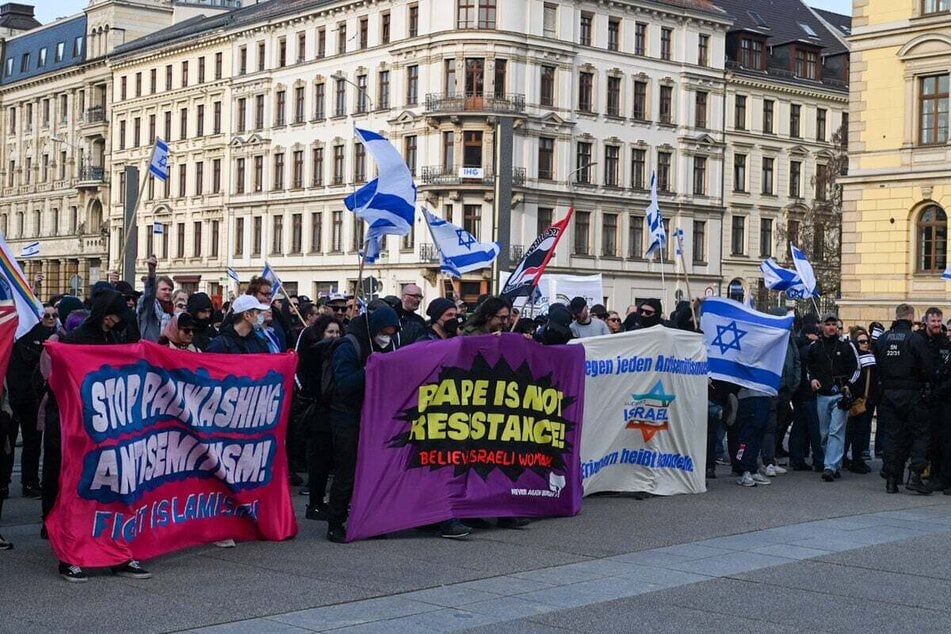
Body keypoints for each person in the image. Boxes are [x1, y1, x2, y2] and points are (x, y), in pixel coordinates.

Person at [52, 289, 152, 581]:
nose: (112, 321)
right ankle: (70, 557)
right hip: (82, 431)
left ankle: (118, 554)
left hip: (114, 429)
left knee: (117, 493)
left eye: (117, 317)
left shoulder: (115, 337)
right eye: (110, 315)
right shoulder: (77, 339)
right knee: (78, 494)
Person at [326, 306, 407, 542]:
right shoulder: (349, 346)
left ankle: (370, 518)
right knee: (347, 471)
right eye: (384, 332)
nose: (387, 337)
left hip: (376, 416)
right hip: (347, 415)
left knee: (374, 469)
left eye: (392, 333)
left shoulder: (390, 346)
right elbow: (344, 385)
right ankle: (335, 522)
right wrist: (371, 368)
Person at [876, 304, 933, 494]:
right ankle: (915, 475)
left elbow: (876, 366)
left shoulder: (883, 339)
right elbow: (928, 368)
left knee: (892, 437)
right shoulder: (915, 339)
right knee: (920, 433)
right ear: (910, 317)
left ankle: (891, 479)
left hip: (888, 393)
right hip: (912, 393)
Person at [3, 304, 57, 498]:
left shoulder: (54, 339)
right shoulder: (20, 336)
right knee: (7, 442)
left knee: (33, 443)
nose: (50, 318)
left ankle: (30, 482)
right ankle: (4, 483)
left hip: (34, 399)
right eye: (46, 315)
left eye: (54, 315)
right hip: (15, 396)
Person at [296, 315, 342, 518]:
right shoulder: (314, 353)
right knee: (318, 462)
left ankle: (322, 502)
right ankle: (314, 503)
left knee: (329, 460)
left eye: (337, 332)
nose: (334, 336)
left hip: (333, 412)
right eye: (330, 332)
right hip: (317, 413)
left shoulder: (340, 352)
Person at [805, 312, 859, 482]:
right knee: (824, 433)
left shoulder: (846, 346)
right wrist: (812, 379)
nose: (831, 327)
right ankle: (833, 464)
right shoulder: (814, 347)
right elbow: (808, 368)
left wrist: (848, 385)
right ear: (821, 326)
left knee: (836, 431)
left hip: (839, 396)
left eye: (834, 324)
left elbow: (856, 369)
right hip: (822, 395)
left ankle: (830, 466)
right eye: (827, 324)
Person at [844, 326, 875, 475]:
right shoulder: (854, 358)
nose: (865, 344)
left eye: (867, 341)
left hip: (867, 399)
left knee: (860, 432)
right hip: (856, 399)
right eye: (861, 341)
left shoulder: (870, 357)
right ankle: (852, 460)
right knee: (853, 432)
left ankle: (855, 459)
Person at [207, 295, 271, 354]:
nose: (261, 316)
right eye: (258, 312)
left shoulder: (260, 343)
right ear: (247, 315)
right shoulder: (219, 344)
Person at [137, 255, 175, 342]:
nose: (167, 292)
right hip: (150, 351)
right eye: (164, 289)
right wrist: (151, 273)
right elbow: (149, 294)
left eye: (170, 290)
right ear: (155, 290)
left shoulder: (172, 311)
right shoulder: (149, 308)